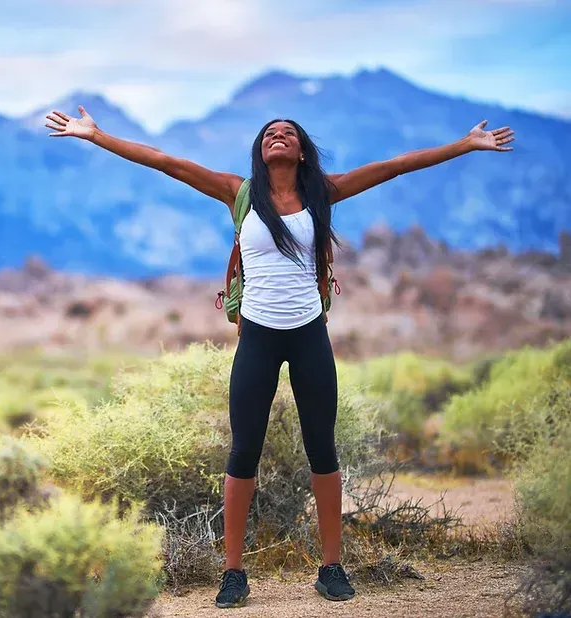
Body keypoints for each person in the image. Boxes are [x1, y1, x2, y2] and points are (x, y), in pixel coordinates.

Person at [44, 106, 514, 607]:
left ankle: (332, 567)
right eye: (270, 132)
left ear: (301, 150)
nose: (278, 135)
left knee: (323, 450)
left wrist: (463, 146)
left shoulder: (322, 194)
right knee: (243, 452)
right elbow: (164, 161)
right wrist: (96, 136)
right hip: (258, 340)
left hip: (310, 335)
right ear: (260, 149)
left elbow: (395, 166)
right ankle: (233, 574)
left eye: (288, 132)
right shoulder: (238, 193)